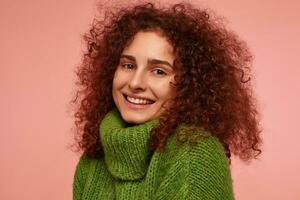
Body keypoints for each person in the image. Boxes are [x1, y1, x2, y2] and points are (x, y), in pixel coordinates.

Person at [71, 2, 262, 200]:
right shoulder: (96, 154)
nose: (136, 82)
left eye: (159, 71)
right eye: (128, 65)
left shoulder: (195, 153)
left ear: (188, 84)